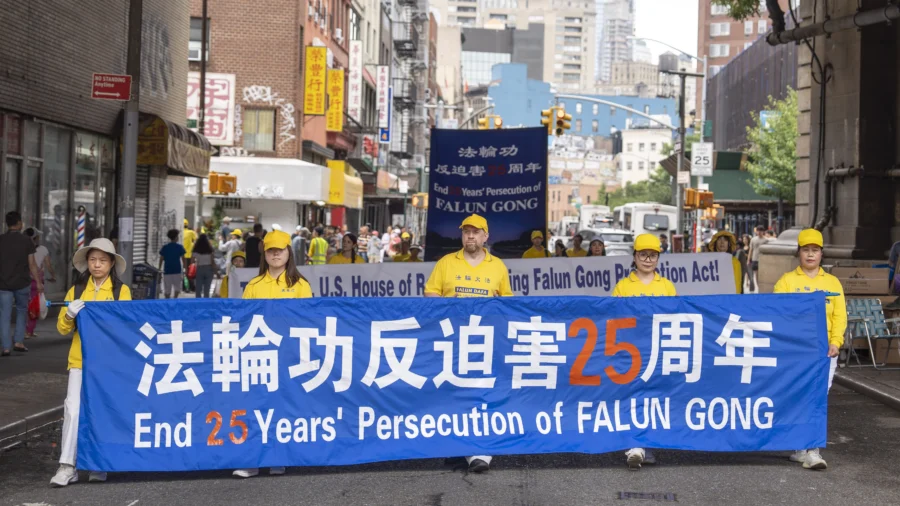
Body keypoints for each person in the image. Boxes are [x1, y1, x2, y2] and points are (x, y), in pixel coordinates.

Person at [424, 214, 512, 473]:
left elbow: (507, 301)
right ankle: (460, 446)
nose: (470, 236)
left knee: (482, 393)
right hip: (452, 341)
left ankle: (478, 448)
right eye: (466, 231)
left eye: (476, 232)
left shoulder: (498, 266)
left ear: (486, 236)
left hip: (485, 342)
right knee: (454, 393)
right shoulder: (446, 263)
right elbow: (430, 293)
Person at [50, 238, 132, 486]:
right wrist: (69, 314)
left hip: (109, 365)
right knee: (73, 410)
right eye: (93, 260)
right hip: (79, 360)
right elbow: (62, 329)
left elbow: (125, 328)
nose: (97, 265)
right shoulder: (75, 290)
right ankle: (67, 466)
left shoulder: (121, 292)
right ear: (87, 262)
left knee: (102, 413)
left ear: (111, 264)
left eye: (103, 260)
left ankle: (99, 464)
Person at [234, 230, 312, 479]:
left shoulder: (300, 285)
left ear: (290, 252)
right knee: (255, 408)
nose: (276, 254)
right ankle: (253, 460)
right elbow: (243, 322)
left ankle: (279, 457)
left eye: (280, 249)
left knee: (283, 407)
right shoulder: (254, 286)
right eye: (271, 250)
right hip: (258, 356)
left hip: (289, 356)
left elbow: (307, 322)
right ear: (264, 254)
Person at [772, 229, 844, 471]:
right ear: (798, 253)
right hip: (795, 351)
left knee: (817, 398)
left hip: (824, 352)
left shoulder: (832, 283)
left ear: (821, 254)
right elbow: (776, 315)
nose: (811, 254)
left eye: (815, 250)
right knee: (797, 397)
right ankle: (800, 447)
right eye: (806, 250)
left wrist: (836, 341)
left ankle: (812, 449)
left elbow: (839, 316)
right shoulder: (786, 282)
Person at [611, 234, 676, 470]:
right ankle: (634, 445)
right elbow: (613, 317)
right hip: (631, 352)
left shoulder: (667, 286)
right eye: (643, 255)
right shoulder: (623, 285)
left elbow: (677, 316)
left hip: (658, 351)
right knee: (633, 397)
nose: (648, 260)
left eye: (653, 255)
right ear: (635, 257)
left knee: (654, 399)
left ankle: (648, 444)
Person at [1, 212, 43, 355]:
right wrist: (38, 282)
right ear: (19, 223)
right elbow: (32, 264)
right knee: (21, 311)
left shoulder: (1, 240)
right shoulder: (27, 241)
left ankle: (6, 347)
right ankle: (18, 342)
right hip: (22, 283)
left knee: (4, 315)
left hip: (3, 284)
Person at [24, 228, 57, 338]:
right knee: (35, 304)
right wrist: (53, 275)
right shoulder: (43, 249)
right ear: (36, 238)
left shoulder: (22, 247)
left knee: (24, 305)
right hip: (36, 280)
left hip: (23, 279)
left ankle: (26, 331)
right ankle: (29, 331)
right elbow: (48, 265)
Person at [158, 229, 186, 299]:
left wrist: (159, 268)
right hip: (177, 270)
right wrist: (185, 268)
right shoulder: (180, 247)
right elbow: (183, 259)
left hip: (167, 270)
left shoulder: (165, 247)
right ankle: (174, 300)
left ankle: (167, 302)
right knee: (177, 288)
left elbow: (161, 258)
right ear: (176, 237)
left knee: (167, 289)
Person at [191, 234, 215, 298]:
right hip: (209, 268)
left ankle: (198, 302)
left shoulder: (196, 250)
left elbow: (192, 261)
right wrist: (216, 271)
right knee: (207, 289)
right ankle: (206, 302)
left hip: (199, 268)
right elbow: (212, 262)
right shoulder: (210, 250)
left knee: (198, 288)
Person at [748, 225, 767, 292]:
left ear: (763, 232)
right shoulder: (753, 239)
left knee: (761, 274)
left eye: (761, 231)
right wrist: (748, 259)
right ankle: (758, 286)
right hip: (754, 259)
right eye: (758, 231)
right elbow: (751, 250)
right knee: (756, 274)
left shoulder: (766, 240)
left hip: (762, 260)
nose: (759, 232)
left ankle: (760, 287)